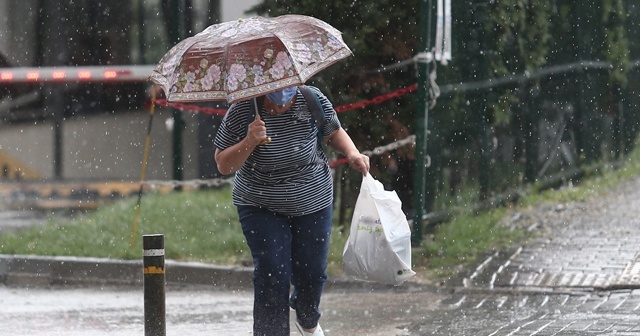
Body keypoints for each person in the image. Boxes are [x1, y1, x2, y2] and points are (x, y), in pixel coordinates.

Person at [214, 85, 370, 336]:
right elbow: (223, 163)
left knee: (313, 272)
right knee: (272, 271)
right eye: (273, 101)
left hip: (313, 199)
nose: (279, 105)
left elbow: (334, 131)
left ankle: (307, 318)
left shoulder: (311, 98)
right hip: (260, 203)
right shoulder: (243, 109)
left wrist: (352, 153)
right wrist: (249, 140)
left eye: (286, 98)